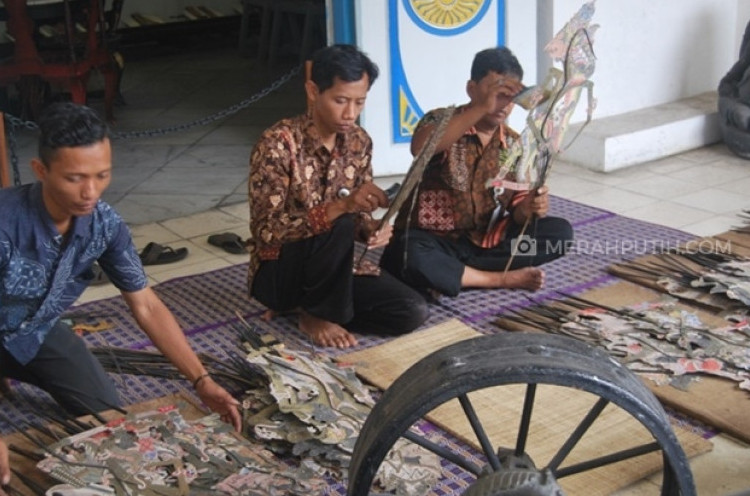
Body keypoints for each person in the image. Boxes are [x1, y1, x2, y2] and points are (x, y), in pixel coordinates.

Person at [0, 102, 241, 431]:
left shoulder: (105, 224)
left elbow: (147, 307)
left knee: (107, 415)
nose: (91, 192)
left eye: (102, 175)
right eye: (75, 178)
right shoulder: (5, 226)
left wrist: (202, 381)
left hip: (35, 332)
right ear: (41, 170)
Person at [248, 44, 429, 349]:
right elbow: (268, 231)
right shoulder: (277, 143)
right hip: (280, 271)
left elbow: (357, 217)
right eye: (340, 100)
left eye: (360, 102)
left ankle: (321, 309)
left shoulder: (359, 142)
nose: (350, 114)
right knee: (339, 221)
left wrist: (370, 227)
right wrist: (341, 208)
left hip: (334, 272)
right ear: (312, 91)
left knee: (411, 311)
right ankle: (315, 314)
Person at [381, 47, 573, 297]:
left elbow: (516, 211)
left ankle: (459, 275)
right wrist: (481, 108)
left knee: (558, 234)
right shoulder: (442, 119)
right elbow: (422, 148)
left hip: (484, 245)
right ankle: (496, 279)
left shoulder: (515, 145)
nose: (501, 104)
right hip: (432, 242)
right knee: (409, 255)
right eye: (495, 93)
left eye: (509, 96)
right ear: (472, 89)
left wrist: (528, 209)